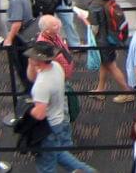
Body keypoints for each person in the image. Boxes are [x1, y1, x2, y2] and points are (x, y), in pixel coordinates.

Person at [24, 43, 96, 173]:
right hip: (58, 120)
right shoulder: (56, 67)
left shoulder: (42, 85)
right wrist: (31, 64)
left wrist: (26, 113)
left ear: (39, 60)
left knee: (46, 166)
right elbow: (32, 77)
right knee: (60, 154)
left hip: (47, 127)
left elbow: (39, 114)